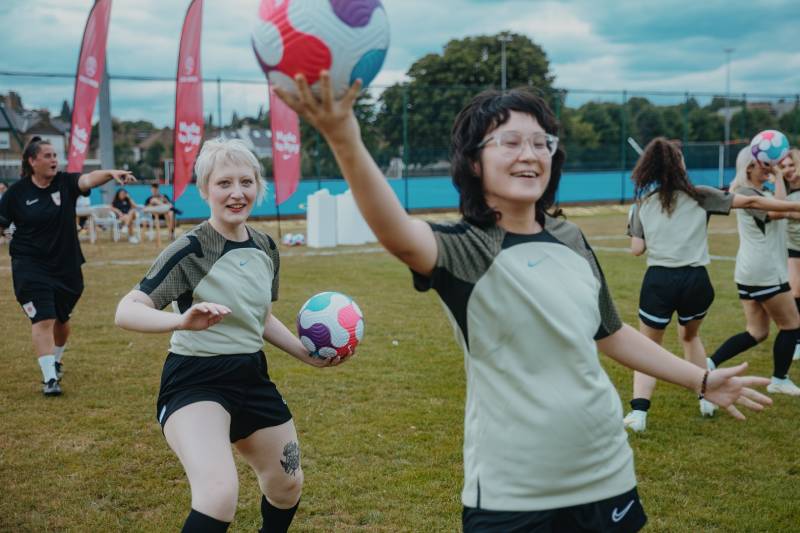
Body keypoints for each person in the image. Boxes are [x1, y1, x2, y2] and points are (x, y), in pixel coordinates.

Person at [275, 73, 772, 532]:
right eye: (510, 142)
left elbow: (612, 334)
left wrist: (701, 379)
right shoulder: (464, 250)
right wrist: (344, 136)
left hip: (606, 471)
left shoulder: (571, 238)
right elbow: (396, 233)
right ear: (474, 161)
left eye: (541, 142)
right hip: (511, 491)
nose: (529, 153)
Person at [114, 138, 347, 532]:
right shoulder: (190, 249)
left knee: (287, 484)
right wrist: (180, 321)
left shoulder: (266, 247)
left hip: (251, 377)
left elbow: (261, 317)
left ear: (259, 186)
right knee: (218, 496)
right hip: (195, 381)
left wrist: (305, 354)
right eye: (224, 183)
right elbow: (126, 310)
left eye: (246, 182)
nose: (237, 193)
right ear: (205, 189)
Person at [623, 138, 800, 432]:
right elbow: (752, 202)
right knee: (690, 337)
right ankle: (706, 397)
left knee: (648, 348)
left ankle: (639, 413)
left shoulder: (642, 205)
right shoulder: (702, 195)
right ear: (681, 165)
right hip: (696, 282)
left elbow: (636, 249)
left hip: (659, 282)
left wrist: (639, 226)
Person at [0, 136, 136, 396]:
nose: (54, 160)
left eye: (55, 155)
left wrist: (110, 173)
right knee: (43, 318)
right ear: (32, 161)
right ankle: (50, 379)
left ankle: (56, 360)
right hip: (29, 265)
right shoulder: (16, 193)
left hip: (66, 266)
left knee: (61, 320)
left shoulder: (65, 183)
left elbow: (88, 179)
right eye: (48, 156)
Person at [708, 146, 800, 396]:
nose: (770, 166)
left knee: (757, 332)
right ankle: (779, 379)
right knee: (791, 324)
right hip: (765, 271)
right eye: (765, 163)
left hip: (751, 272)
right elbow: (780, 210)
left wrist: (777, 179)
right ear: (749, 167)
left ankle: (709, 364)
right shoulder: (747, 194)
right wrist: (779, 177)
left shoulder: (760, 192)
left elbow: (784, 209)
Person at [778, 148, 800, 361]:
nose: (788, 170)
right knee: (795, 291)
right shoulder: (781, 190)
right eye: (783, 167)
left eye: (791, 165)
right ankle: (797, 341)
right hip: (793, 247)